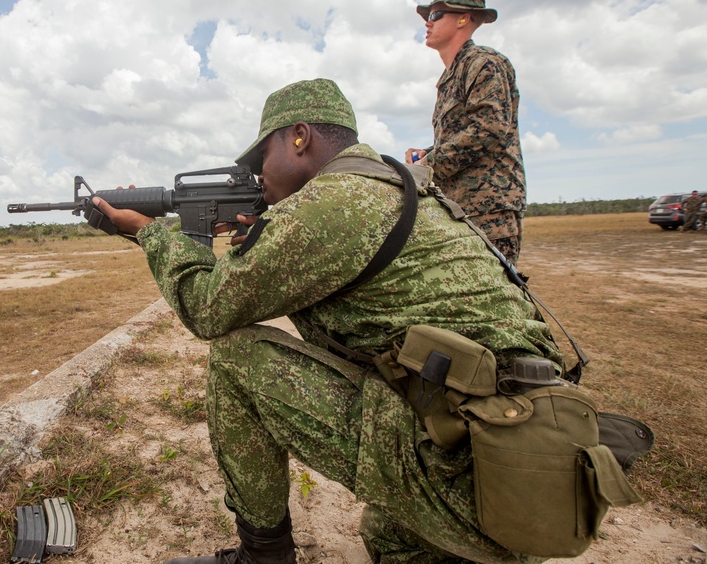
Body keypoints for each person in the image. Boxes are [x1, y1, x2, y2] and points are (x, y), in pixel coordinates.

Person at [92, 78, 567, 564]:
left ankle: (263, 557)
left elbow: (208, 308)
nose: (258, 177)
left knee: (236, 356)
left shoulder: (332, 203)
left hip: (476, 469)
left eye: (260, 161)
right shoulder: (389, 184)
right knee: (388, 535)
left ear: (300, 137)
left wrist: (150, 233)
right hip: (531, 468)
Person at [405, 0, 526, 265]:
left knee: (490, 301)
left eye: (436, 14)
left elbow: (489, 130)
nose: (428, 22)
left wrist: (427, 164)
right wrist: (426, 153)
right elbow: (465, 135)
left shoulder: (484, 63)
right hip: (458, 208)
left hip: (488, 209)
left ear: (463, 19)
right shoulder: (451, 76)